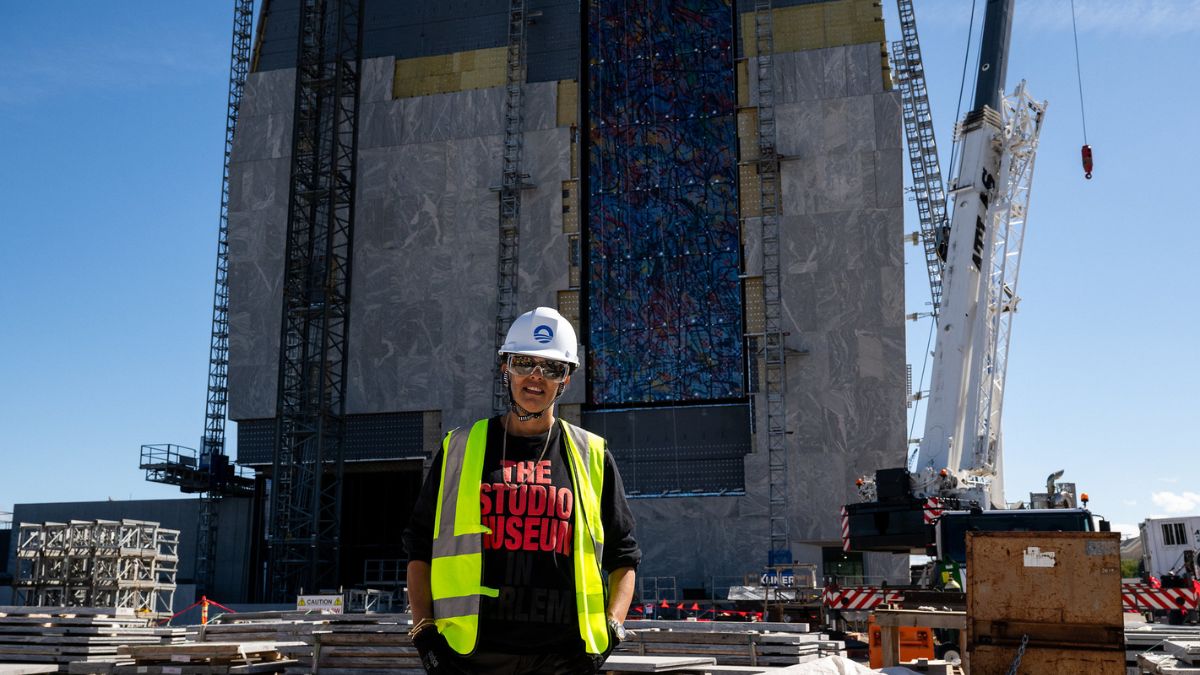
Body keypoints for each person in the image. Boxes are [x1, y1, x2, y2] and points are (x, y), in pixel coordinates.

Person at [403, 306, 641, 674]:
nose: (536, 376)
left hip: (565, 658)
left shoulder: (591, 454)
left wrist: (612, 631)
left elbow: (623, 556)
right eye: (524, 362)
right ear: (506, 367)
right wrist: (424, 635)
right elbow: (420, 548)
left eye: (552, 368)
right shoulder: (459, 450)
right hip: (471, 657)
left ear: (565, 379)